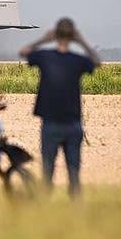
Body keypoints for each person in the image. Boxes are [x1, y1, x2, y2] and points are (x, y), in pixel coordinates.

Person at [19, 17, 101, 198]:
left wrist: (43, 40)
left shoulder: (44, 56)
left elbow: (24, 52)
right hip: (73, 124)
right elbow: (96, 62)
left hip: (50, 125)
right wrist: (82, 42)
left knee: (47, 171)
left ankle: (46, 211)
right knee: (73, 171)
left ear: (55, 34)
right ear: (72, 36)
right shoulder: (78, 60)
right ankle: (76, 211)